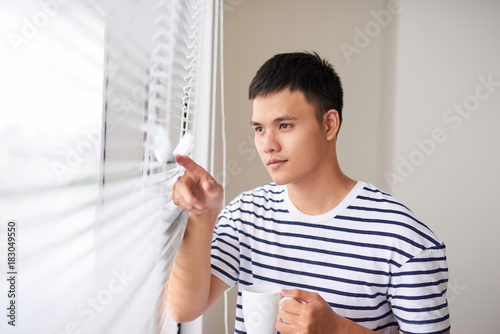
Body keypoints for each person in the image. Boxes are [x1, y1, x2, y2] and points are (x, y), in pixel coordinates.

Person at [167, 52, 450, 334]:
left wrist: (338, 330)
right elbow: (184, 308)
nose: (267, 145)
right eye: (259, 129)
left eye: (284, 125)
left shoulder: (402, 237)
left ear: (329, 124)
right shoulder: (247, 213)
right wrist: (201, 216)